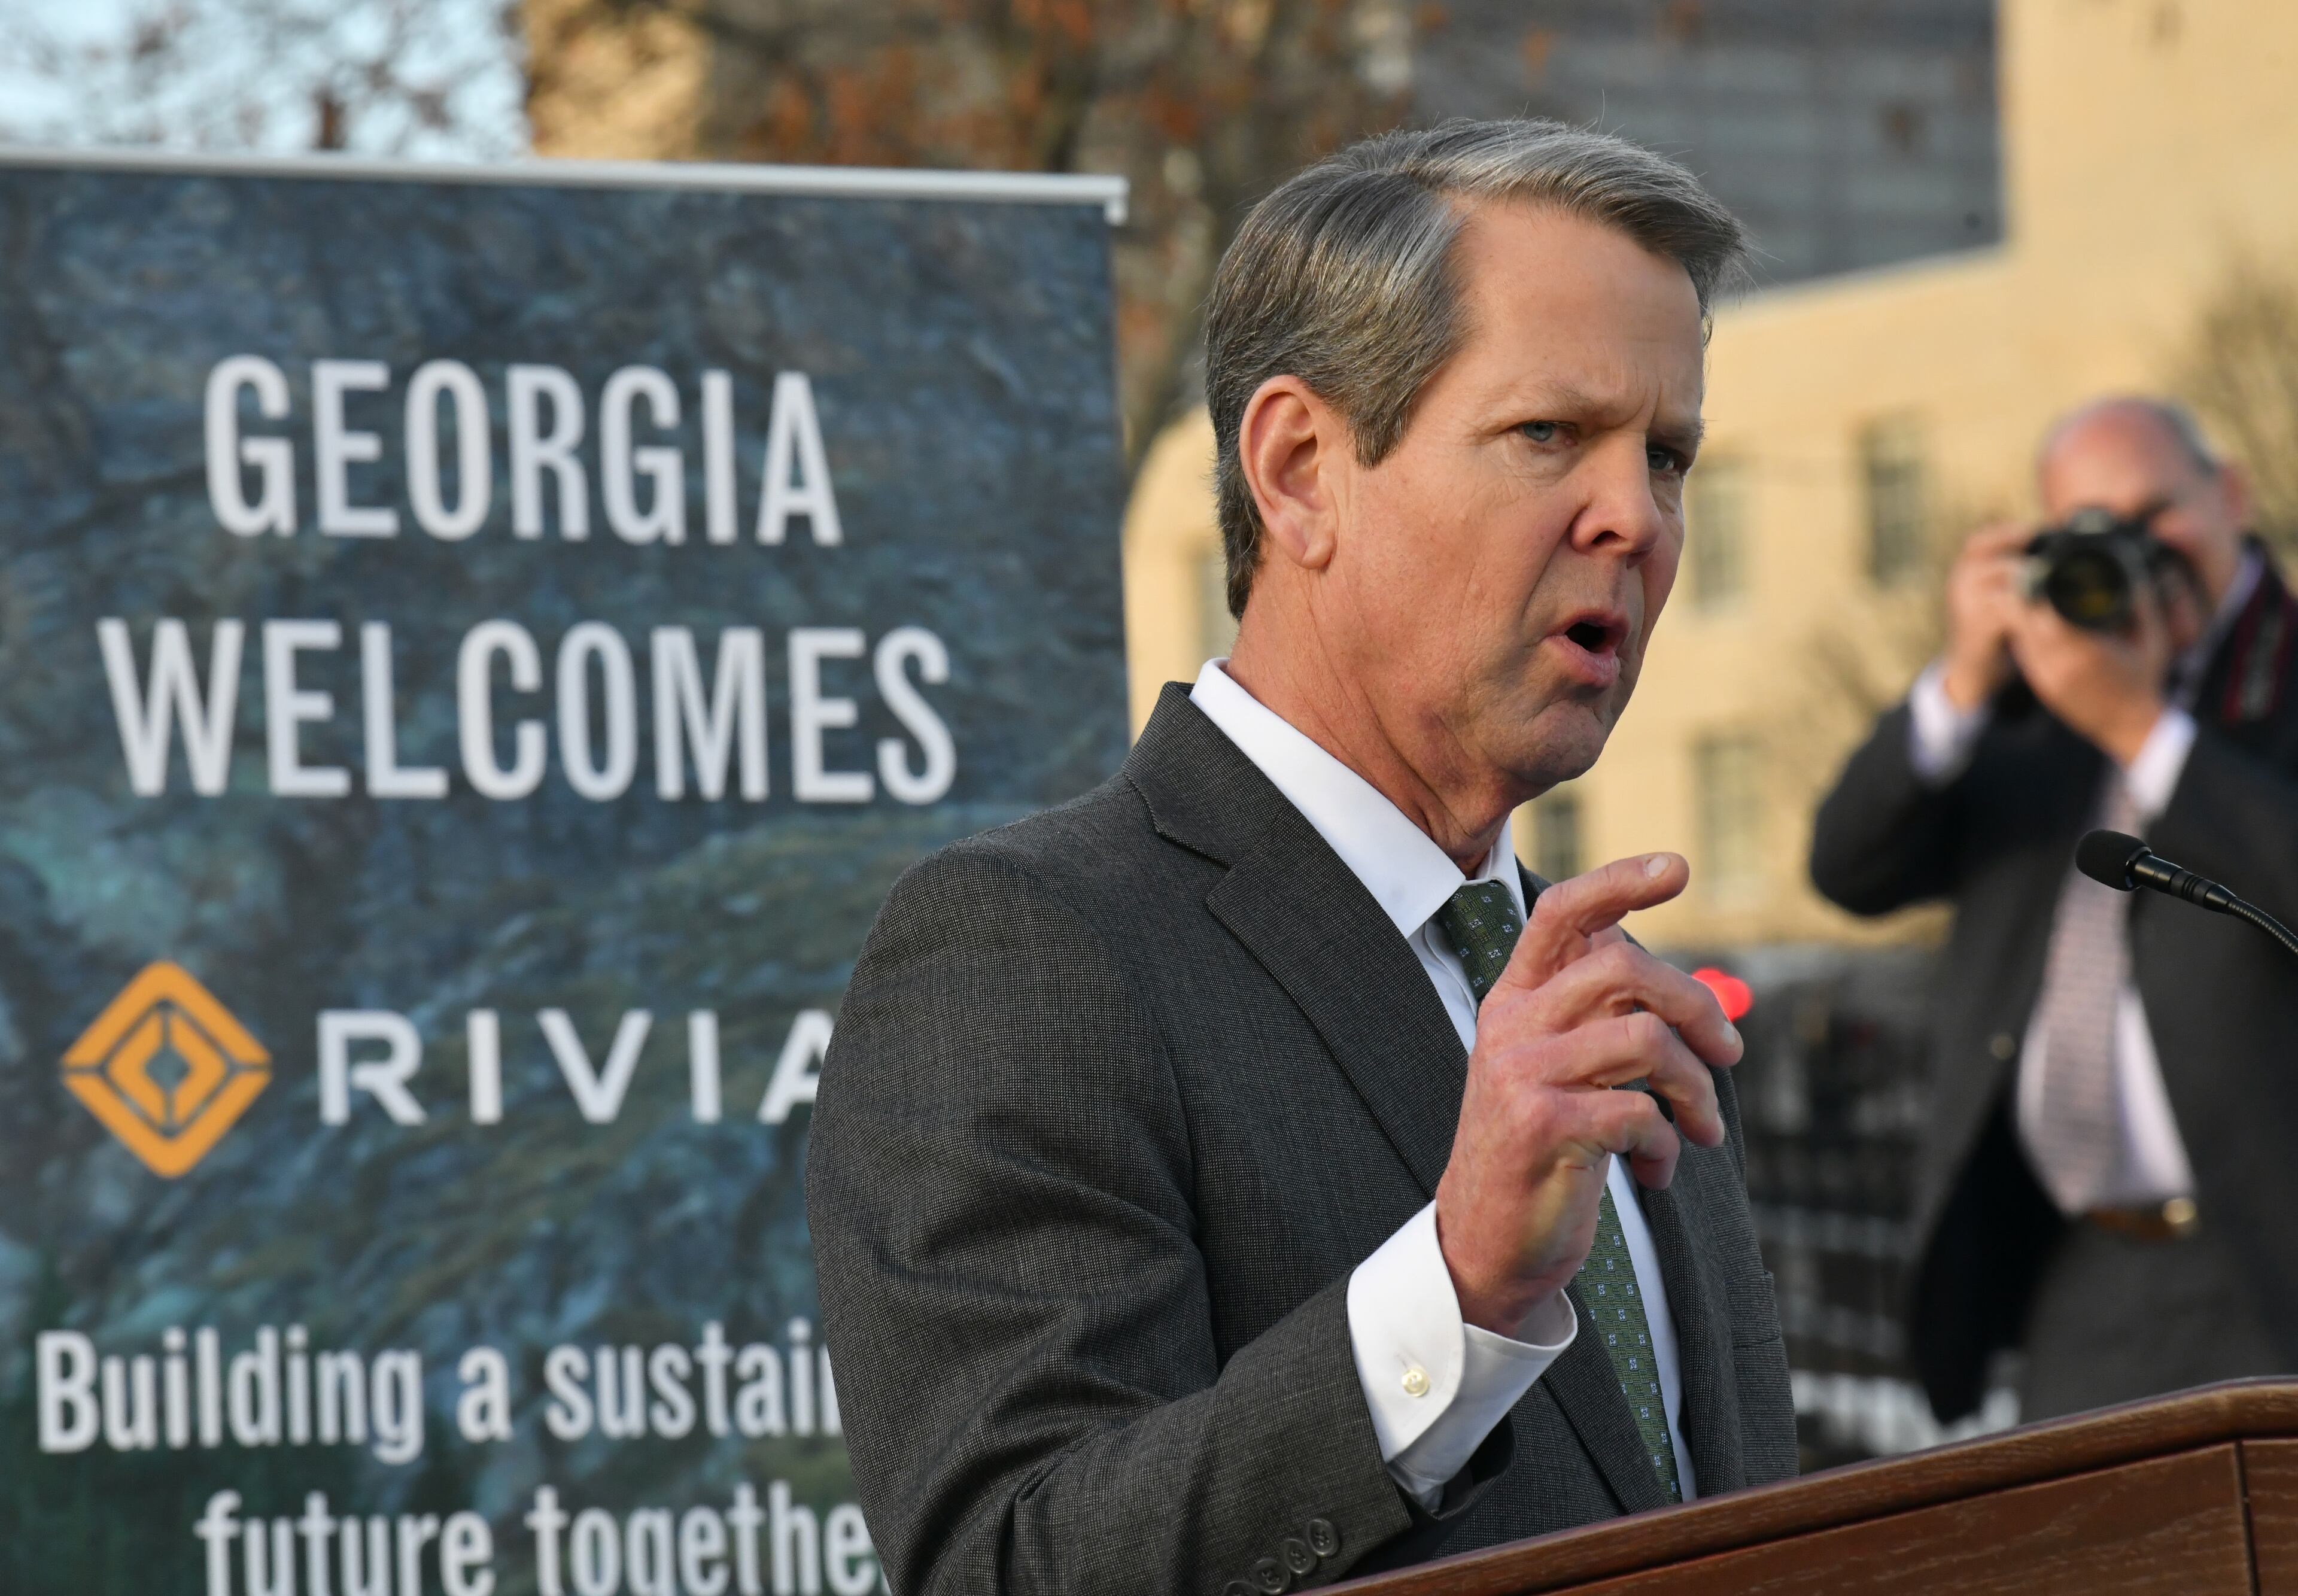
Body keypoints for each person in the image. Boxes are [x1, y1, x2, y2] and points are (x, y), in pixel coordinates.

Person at [806, 120, 1796, 1595]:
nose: (1634, 517)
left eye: (1667, 455)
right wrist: (1453, 1291)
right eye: (1550, 435)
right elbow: (1008, 1564)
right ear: (1299, 469)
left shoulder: (1596, 998)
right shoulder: (1028, 951)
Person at [1811, 397, 2298, 1426]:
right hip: (2075, 1279)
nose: (2133, 553)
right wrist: (1961, 680)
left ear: (2233, 498)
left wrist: (2141, 728)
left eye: (2154, 514)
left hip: (2271, 1263)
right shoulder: (2033, 717)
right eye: (2089, 527)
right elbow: (1849, 867)